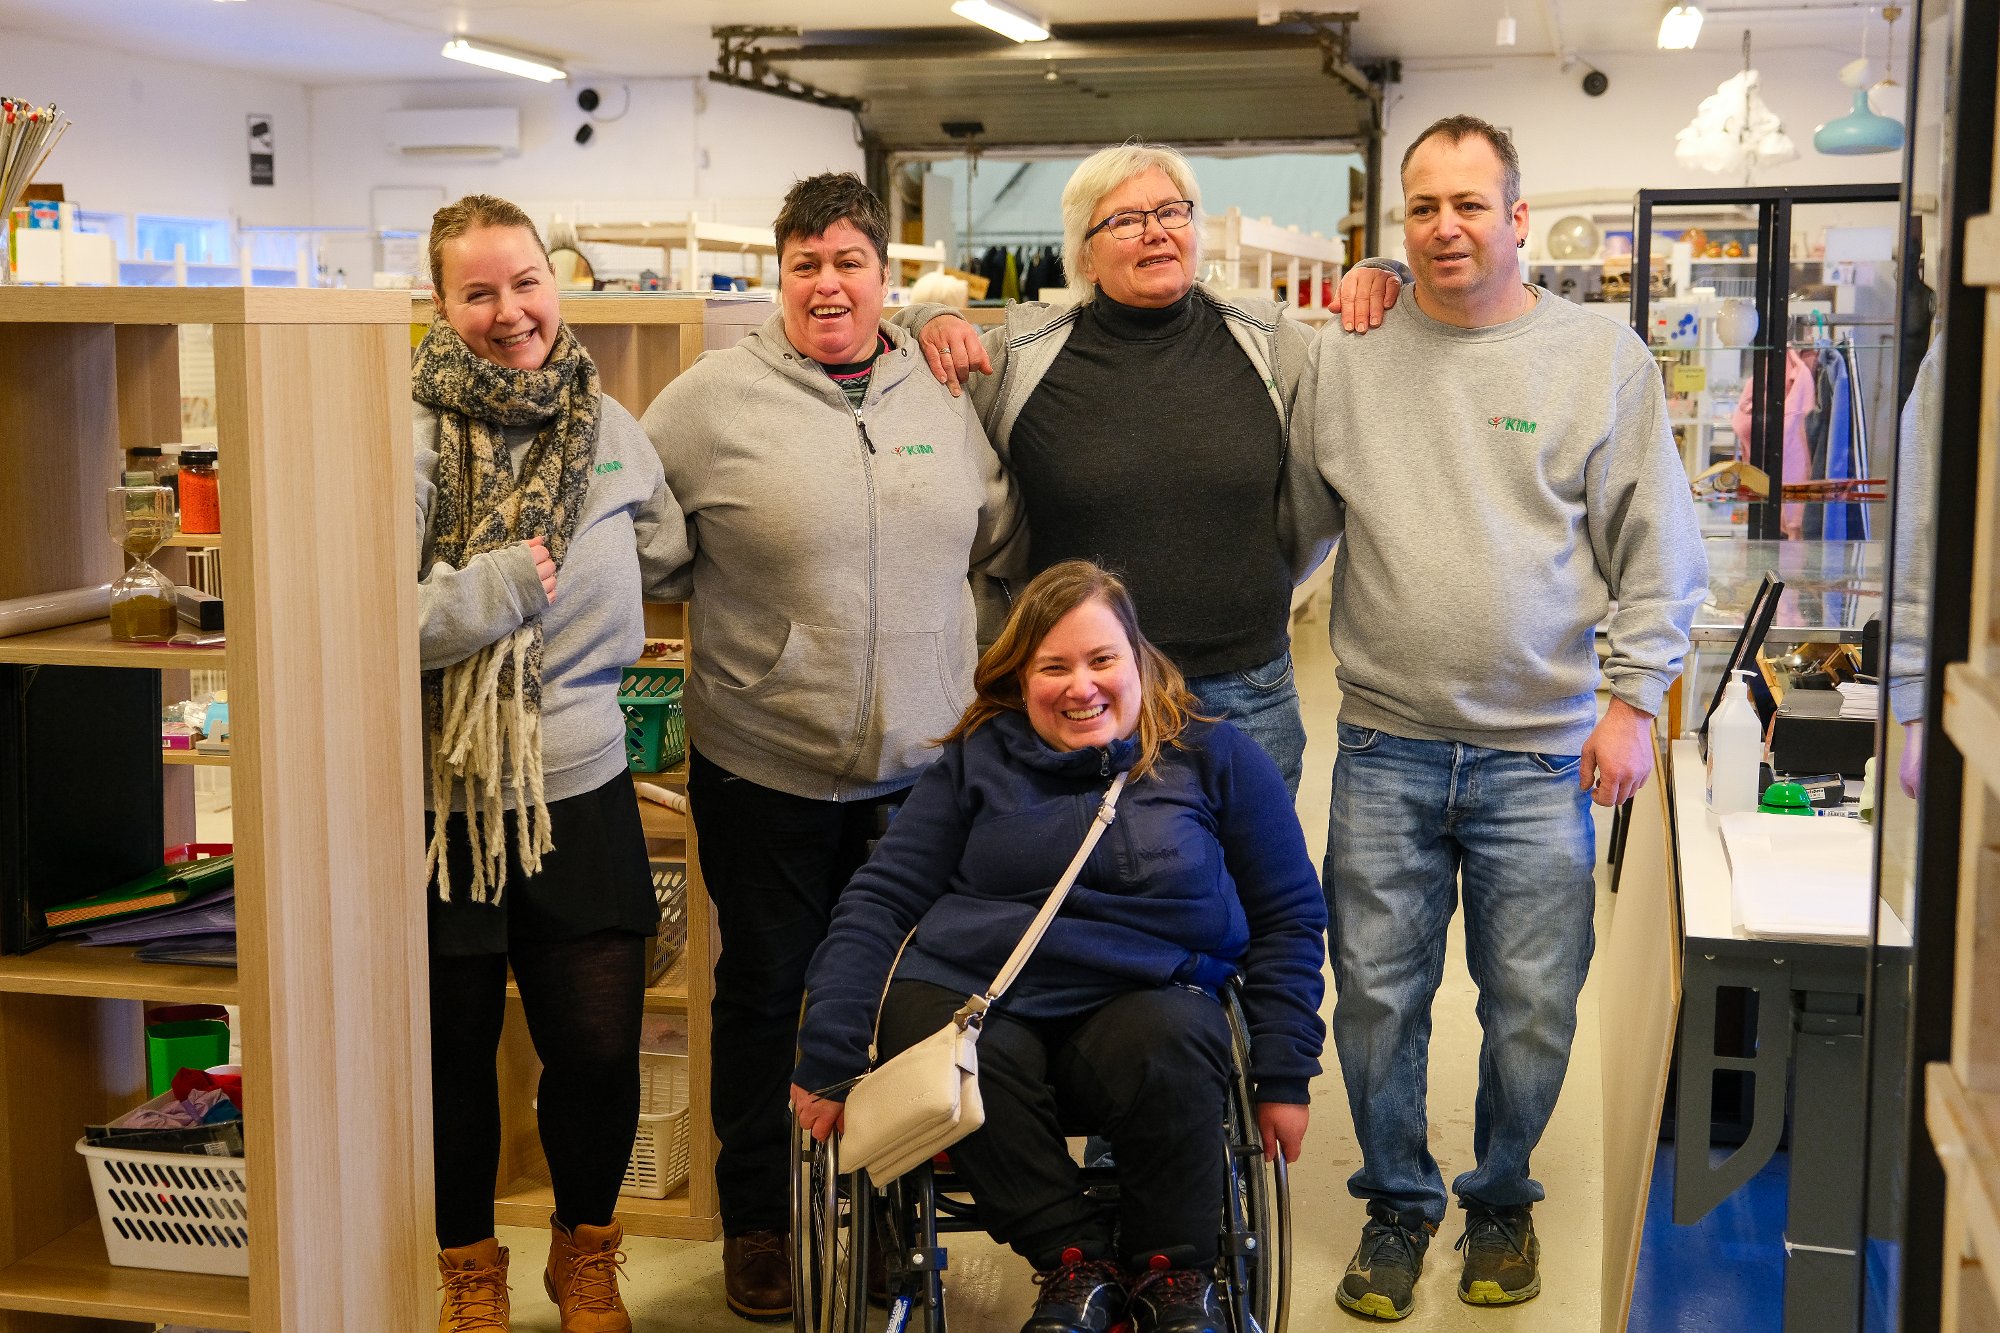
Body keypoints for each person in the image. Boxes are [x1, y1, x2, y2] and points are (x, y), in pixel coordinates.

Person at [1285, 116, 1708, 1320]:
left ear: (1517, 217)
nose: (1444, 227)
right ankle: (1395, 1205)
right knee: (1375, 997)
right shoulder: (1348, 356)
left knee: (1530, 1004)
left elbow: (1657, 550)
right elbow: (1290, 530)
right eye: (1421, 207)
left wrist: (1631, 702)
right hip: (1384, 742)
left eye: (1469, 204)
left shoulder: (1596, 357)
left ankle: (1502, 1199)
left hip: (1540, 752)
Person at [638, 172, 1023, 1322]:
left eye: (848, 261)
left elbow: (996, 535)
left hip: (923, 768)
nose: (825, 284)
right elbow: (652, 555)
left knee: (911, 999)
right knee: (768, 990)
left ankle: (892, 1207)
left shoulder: (939, 392)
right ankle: (759, 1218)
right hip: (766, 761)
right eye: (803, 264)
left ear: (882, 276)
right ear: (778, 276)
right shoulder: (705, 402)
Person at [790, 559, 1327, 1333]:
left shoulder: (1213, 756)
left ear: (1138, 658)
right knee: (932, 1033)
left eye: (1102, 659)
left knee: (1176, 1035)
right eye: (1054, 667)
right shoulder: (977, 762)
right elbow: (880, 900)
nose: (1082, 686)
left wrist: (1282, 1072)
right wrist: (830, 1049)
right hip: (983, 996)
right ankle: (1075, 1261)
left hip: (1140, 1003)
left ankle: (1173, 1272)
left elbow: (1287, 917)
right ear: (1021, 676)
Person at [903, 143, 1406, 796]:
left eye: (1172, 211)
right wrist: (927, 315)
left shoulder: (1271, 345)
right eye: (1126, 220)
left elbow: (1379, 362)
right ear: (1084, 255)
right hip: (1084, 699)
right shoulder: (1019, 361)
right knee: (1089, 860)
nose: (1156, 231)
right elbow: (896, 360)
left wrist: (1386, 271)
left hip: (1246, 695)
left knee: (1253, 864)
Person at [416, 194, 690, 1333]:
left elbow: (667, 548)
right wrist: (497, 588)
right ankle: (469, 1268)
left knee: (596, 1050)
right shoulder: (406, 435)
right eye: (477, 291)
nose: (509, 310)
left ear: (554, 281)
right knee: (452, 1057)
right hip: (441, 802)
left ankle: (585, 1253)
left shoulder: (612, 427)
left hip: (580, 784)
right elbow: (364, 614)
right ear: (439, 303)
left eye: (525, 282)